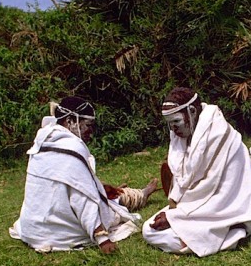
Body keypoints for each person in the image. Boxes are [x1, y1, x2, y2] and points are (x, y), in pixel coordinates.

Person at [10, 96, 157, 253]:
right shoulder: (72, 147)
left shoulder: (41, 142)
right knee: (111, 210)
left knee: (103, 194)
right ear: (70, 121)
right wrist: (102, 239)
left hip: (31, 230)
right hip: (60, 235)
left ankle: (132, 194)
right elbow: (81, 199)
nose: (91, 132)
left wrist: (96, 188)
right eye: (88, 125)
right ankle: (140, 195)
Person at [142, 87, 251, 256]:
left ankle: (227, 233)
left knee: (156, 233)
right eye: (169, 124)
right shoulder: (181, 136)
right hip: (195, 208)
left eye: (176, 122)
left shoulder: (220, 136)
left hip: (226, 210)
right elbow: (184, 181)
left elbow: (217, 194)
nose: (172, 129)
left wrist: (174, 218)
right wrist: (174, 213)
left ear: (192, 112)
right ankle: (197, 236)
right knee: (148, 229)